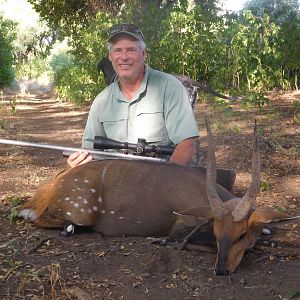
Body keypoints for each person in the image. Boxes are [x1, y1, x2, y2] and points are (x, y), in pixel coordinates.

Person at [67, 23, 199, 168]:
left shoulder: (170, 87)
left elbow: (186, 144)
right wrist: (78, 164)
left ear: (144, 54)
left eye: (131, 50)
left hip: (161, 177)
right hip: (114, 180)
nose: (124, 57)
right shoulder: (101, 101)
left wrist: (162, 184)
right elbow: (89, 151)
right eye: (117, 50)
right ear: (110, 56)